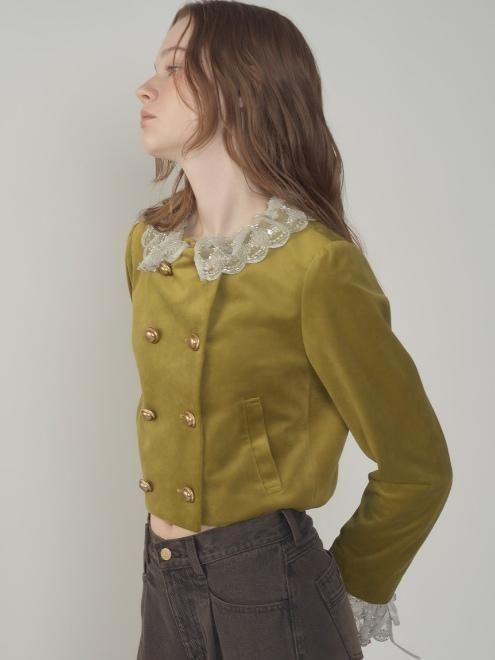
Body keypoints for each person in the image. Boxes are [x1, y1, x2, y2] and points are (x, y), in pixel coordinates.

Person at [126, 2, 453, 658]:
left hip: (271, 588)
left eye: (176, 67)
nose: (146, 87)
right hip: (163, 579)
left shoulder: (315, 265)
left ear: (243, 89)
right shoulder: (149, 248)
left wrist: (344, 585)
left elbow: (418, 467)